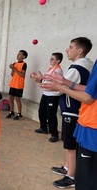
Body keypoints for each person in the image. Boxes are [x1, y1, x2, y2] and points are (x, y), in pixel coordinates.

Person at [41, 37, 93, 189]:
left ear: (79, 50)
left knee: (70, 145)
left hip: (72, 110)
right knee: (69, 143)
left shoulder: (77, 68)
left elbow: (59, 88)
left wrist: (42, 83)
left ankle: (71, 176)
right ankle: (67, 167)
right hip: (75, 110)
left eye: (70, 47)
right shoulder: (86, 65)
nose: (66, 50)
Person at [30, 52, 63, 142]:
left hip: (53, 95)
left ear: (58, 61)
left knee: (51, 115)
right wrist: (38, 78)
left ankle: (54, 134)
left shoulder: (58, 71)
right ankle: (43, 128)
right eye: (50, 58)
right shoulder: (50, 69)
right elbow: (45, 81)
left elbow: (53, 83)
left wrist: (39, 79)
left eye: (53, 59)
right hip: (46, 94)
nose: (50, 60)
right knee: (42, 111)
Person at [6, 50, 28, 120]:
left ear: (24, 56)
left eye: (20, 54)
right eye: (18, 54)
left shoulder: (24, 64)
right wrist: (12, 69)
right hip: (13, 83)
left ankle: (19, 114)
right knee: (10, 98)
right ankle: (11, 112)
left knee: (17, 99)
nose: (18, 55)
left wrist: (14, 68)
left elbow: (22, 75)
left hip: (19, 84)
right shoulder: (14, 63)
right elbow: (12, 75)